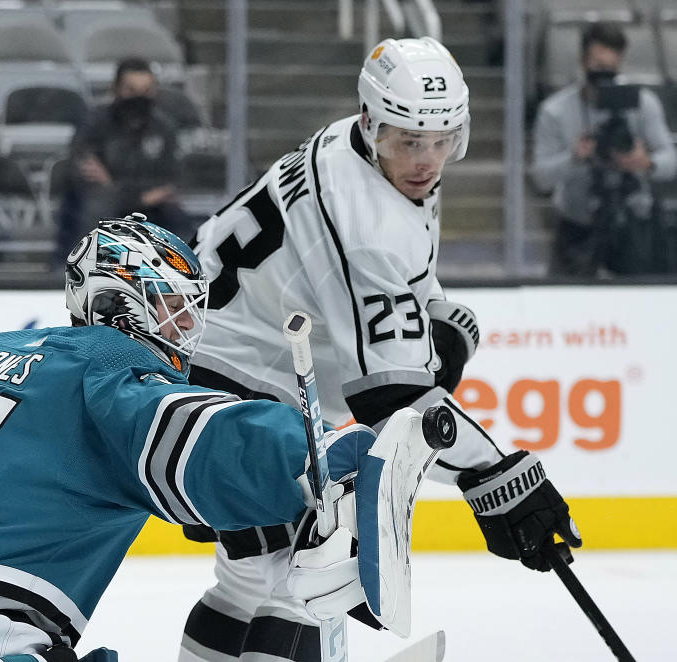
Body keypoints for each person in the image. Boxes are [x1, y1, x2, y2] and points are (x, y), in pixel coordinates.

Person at [0, 216, 427, 662]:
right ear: (118, 304)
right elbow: (190, 433)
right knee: (310, 576)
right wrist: (315, 452)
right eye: (171, 308)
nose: (186, 329)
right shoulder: (107, 364)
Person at [178, 37, 583, 662]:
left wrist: (432, 320)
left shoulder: (358, 145)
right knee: (311, 575)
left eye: (442, 139)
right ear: (373, 122)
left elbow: (397, 276)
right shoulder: (365, 216)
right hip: (233, 388)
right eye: (408, 141)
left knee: (250, 578)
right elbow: (390, 398)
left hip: (209, 364)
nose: (425, 159)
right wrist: (497, 478)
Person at [532, 21, 676, 276]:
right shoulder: (555, 111)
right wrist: (574, 158)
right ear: (583, 61)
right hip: (577, 224)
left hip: (632, 222)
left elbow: (670, 159)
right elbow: (540, 177)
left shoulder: (642, 103)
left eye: (611, 69)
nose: (604, 77)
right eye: (598, 68)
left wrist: (646, 163)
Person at [56, 58, 194, 265]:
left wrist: (116, 184)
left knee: (178, 219)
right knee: (94, 207)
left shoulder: (164, 128)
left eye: (146, 90)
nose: (139, 97)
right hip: (105, 203)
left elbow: (172, 179)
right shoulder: (94, 123)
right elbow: (84, 171)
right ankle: (81, 274)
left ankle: (181, 279)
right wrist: (137, 194)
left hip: (151, 205)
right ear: (115, 89)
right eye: (131, 90)